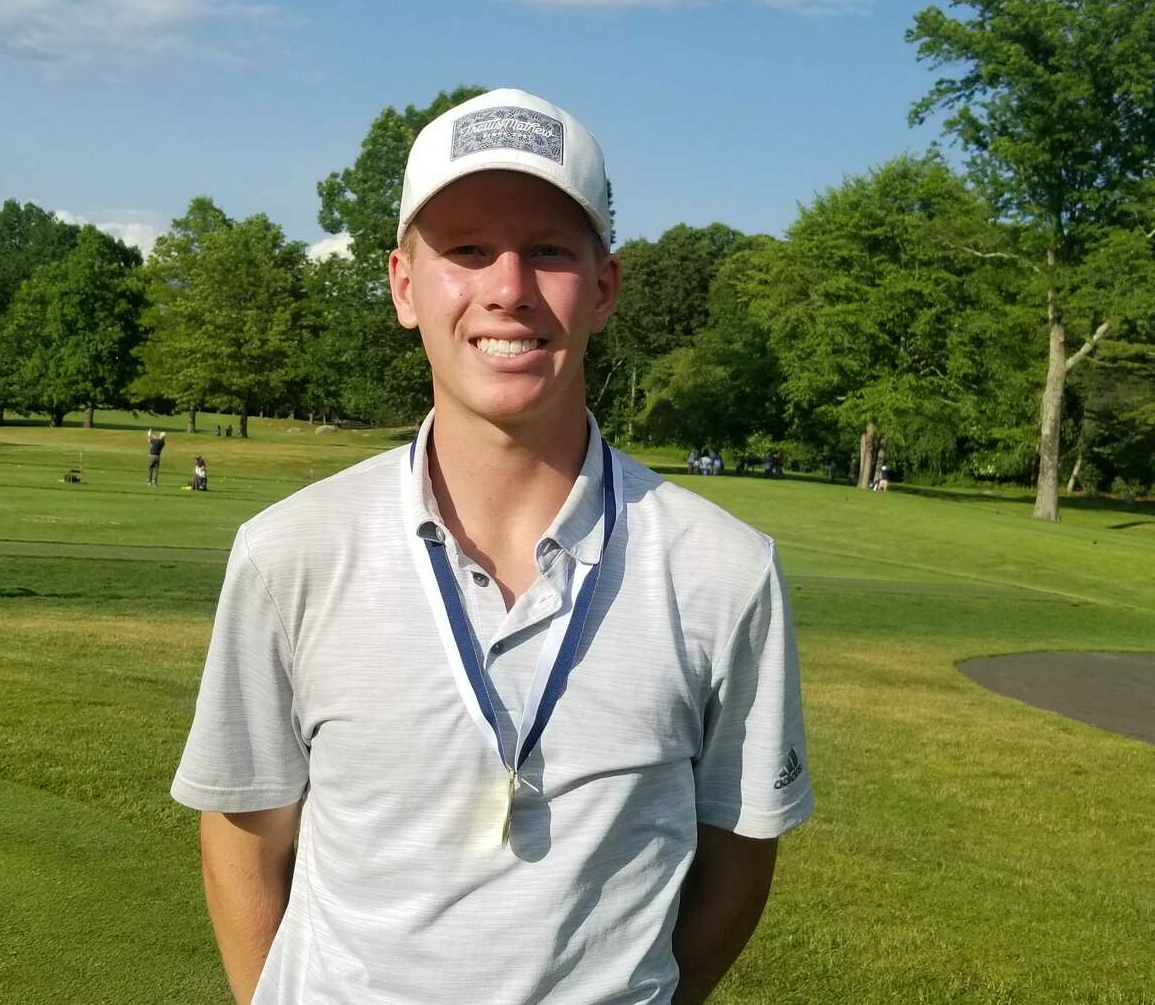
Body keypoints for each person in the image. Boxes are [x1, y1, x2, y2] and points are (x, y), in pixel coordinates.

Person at [171, 89, 812, 1005]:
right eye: (467, 249)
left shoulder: (725, 570)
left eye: (547, 250)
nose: (507, 287)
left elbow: (740, 850)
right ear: (402, 285)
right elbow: (245, 834)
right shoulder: (288, 553)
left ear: (603, 288)